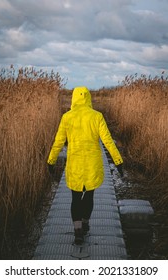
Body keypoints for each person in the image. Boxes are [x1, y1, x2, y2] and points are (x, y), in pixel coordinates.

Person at [47, 86, 123, 245]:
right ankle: (86, 223)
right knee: (89, 195)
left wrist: (51, 160)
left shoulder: (67, 117)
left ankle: (78, 230)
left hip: (75, 164)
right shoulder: (97, 116)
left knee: (75, 198)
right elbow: (108, 141)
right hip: (92, 164)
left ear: (74, 98)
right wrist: (118, 161)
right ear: (88, 98)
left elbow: (59, 141)